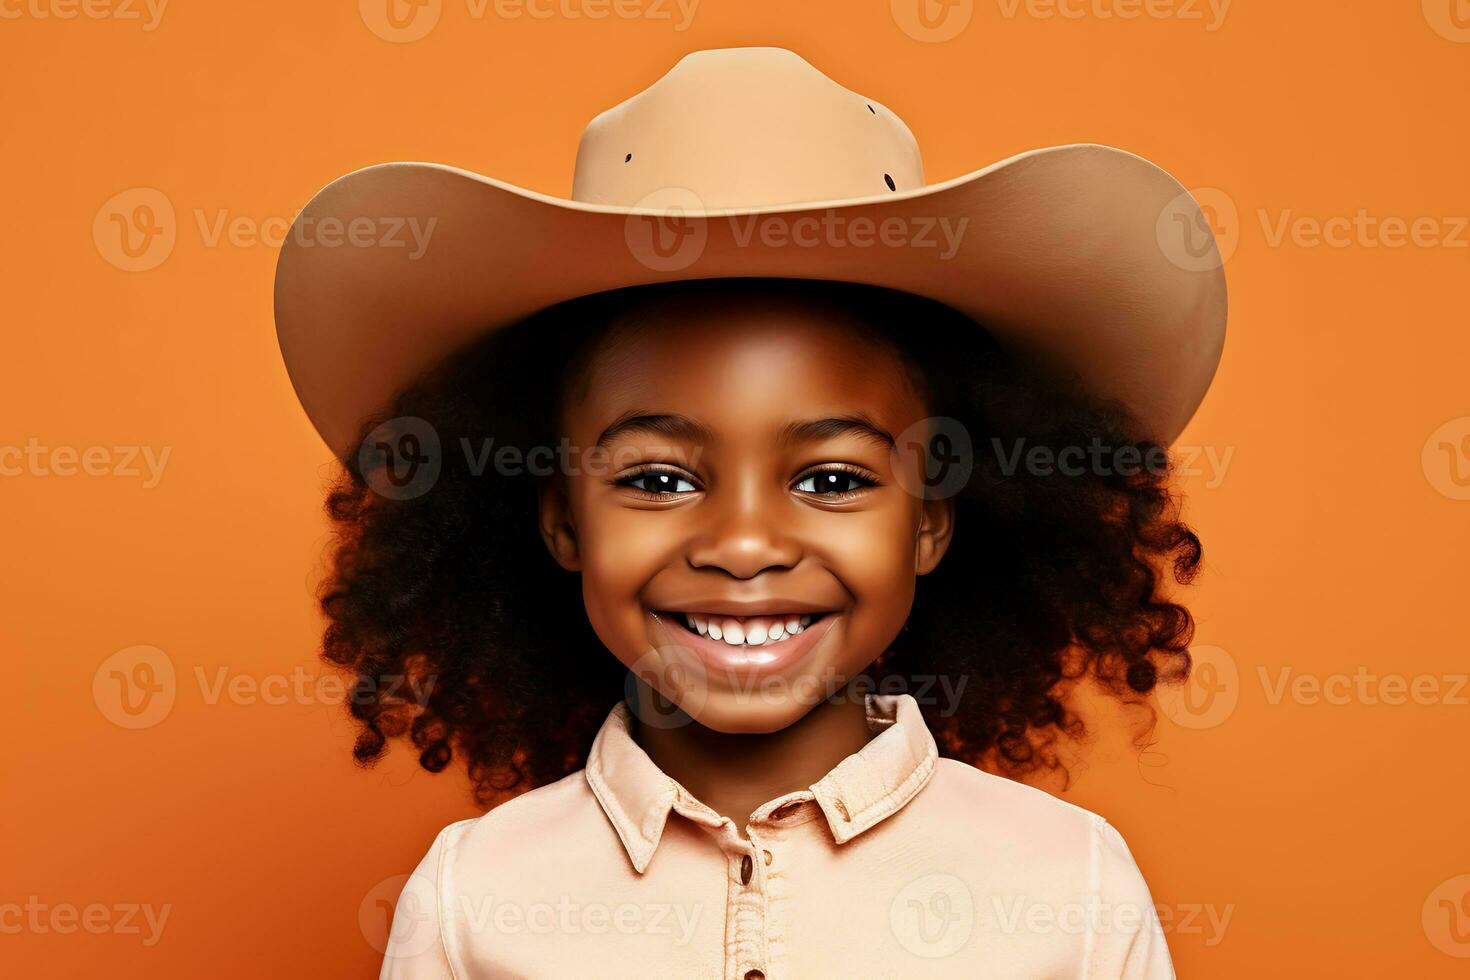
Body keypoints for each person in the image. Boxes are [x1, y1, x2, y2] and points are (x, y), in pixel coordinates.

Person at [273, 47, 1226, 979]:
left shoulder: (1072, 893)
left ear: (932, 515)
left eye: (831, 479)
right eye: (657, 480)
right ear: (560, 517)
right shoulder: (473, 900)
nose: (742, 546)